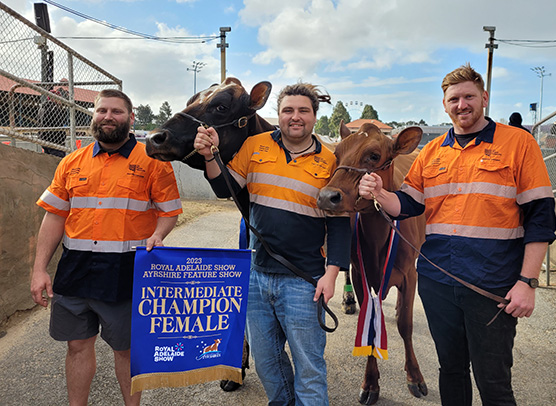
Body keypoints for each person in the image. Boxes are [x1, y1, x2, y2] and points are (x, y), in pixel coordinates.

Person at [358, 64, 556, 406]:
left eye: (468, 97)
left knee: (493, 381)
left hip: (490, 284)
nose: (461, 105)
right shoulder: (432, 152)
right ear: (445, 105)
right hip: (438, 282)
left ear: (484, 98)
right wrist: (378, 192)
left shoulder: (518, 143)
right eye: (454, 99)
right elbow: (407, 204)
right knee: (450, 370)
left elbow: (541, 216)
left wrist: (528, 281)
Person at [194, 83, 351, 406]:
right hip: (256, 276)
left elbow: (338, 222)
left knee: (309, 367)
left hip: (304, 281)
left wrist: (332, 273)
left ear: (314, 116)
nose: (295, 117)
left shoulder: (330, 160)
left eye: (303, 111)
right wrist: (210, 156)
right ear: (278, 115)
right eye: (288, 110)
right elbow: (226, 189)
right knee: (268, 364)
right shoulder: (255, 146)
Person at [30, 89, 183, 406]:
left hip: (126, 271)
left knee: (125, 350)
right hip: (75, 270)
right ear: (93, 116)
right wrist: (39, 269)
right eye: (102, 111)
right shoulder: (71, 162)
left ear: (130, 117)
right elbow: (54, 216)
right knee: (76, 345)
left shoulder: (153, 162)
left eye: (117, 111)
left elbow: (169, 212)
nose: (108, 117)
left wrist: (159, 234)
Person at [38, 88, 69, 157]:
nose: (61, 100)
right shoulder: (54, 108)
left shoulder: (42, 107)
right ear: (54, 98)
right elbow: (58, 123)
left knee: (48, 160)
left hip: (45, 139)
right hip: (55, 140)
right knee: (59, 160)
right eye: (59, 98)